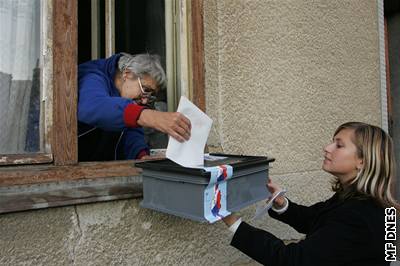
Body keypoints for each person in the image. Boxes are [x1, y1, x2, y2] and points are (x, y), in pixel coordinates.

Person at [222, 122, 399, 266]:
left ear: (363, 161)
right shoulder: (367, 201)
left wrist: (232, 221)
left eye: (339, 145)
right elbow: (316, 219)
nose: (327, 148)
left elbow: (291, 260)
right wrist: (282, 204)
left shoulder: (358, 215)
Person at [78, 53, 191, 161]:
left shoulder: (128, 100)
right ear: (127, 74)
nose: (145, 100)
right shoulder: (93, 76)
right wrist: (152, 117)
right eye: (146, 90)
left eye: (151, 96)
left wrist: (141, 155)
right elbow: (92, 107)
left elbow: (132, 129)